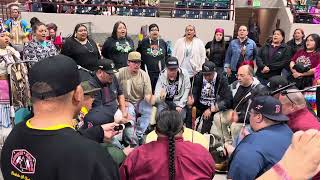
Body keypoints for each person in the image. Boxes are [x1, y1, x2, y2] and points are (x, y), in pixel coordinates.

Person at [0, 55, 120, 179]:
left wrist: (97, 132)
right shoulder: (94, 159)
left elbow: (52, 143)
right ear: (78, 94)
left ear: (32, 94)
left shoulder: (13, 137)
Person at [120, 109, 215, 179]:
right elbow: (211, 174)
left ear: (156, 130)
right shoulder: (202, 153)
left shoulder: (138, 155)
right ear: (182, 130)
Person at [226, 96, 293, 180]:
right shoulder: (289, 132)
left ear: (258, 117)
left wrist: (242, 149)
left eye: (250, 114)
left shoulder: (250, 146)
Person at [215, 65, 266, 143]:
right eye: (237, 75)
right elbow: (228, 99)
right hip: (235, 113)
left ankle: (236, 147)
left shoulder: (259, 90)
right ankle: (227, 142)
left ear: (250, 75)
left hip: (248, 120)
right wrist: (220, 105)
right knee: (217, 117)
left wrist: (238, 117)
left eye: (242, 75)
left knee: (234, 127)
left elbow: (255, 114)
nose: (238, 78)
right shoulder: (236, 85)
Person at [116, 51, 153, 146]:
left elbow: (148, 95)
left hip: (140, 101)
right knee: (129, 123)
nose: (137, 65)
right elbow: (112, 89)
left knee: (148, 109)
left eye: (138, 62)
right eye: (134, 62)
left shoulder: (144, 75)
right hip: (126, 102)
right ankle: (132, 145)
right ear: (128, 62)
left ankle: (140, 136)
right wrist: (120, 103)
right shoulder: (119, 73)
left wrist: (156, 100)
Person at [188, 61, 232, 134]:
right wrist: (192, 99)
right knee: (189, 114)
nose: (207, 77)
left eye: (209, 75)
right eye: (205, 75)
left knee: (206, 123)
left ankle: (203, 138)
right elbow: (195, 91)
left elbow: (227, 99)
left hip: (213, 105)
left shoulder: (221, 79)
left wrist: (212, 109)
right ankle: (189, 136)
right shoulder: (199, 77)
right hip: (200, 104)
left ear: (214, 72)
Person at [85, 59, 126, 126]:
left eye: (113, 73)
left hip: (116, 110)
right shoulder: (92, 86)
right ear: (100, 72)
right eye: (109, 73)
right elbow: (99, 110)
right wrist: (117, 119)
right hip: (102, 118)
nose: (112, 75)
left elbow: (120, 93)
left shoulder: (112, 78)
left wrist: (123, 112)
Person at [137, 23, 168, 92]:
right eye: (152, 30)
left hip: (160, 74)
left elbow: (166, 56)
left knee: (158, 94)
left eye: (156, 30)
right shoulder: (144, 42)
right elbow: (138, 54)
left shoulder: (163, 42)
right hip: (147, 74)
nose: (154, 31)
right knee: (147, 94)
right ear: (149, 32)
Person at [0, 31, 20, 128]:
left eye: (8, 36)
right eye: (3, 36)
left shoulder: (11, 50)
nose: (6, 38)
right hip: (2, 83)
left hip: (12, 83)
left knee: (12, 106)